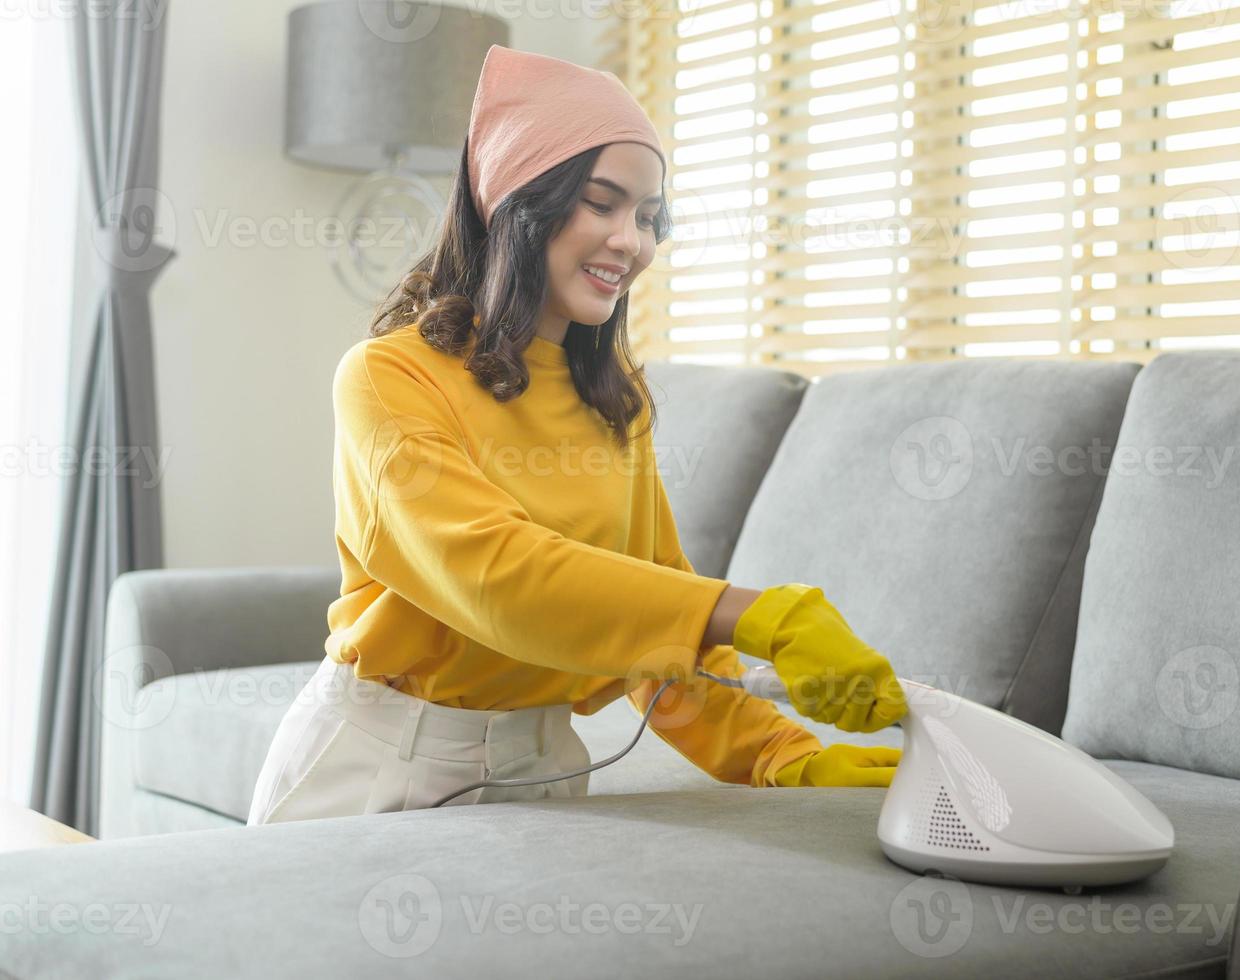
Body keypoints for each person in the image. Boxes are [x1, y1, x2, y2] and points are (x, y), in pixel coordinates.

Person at [247, 45, 907, 827]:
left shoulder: (613, 402)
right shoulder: (389, 379)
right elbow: (496, 577)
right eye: (602, 202)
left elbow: (648, 622)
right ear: (521, 202)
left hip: (546, 771)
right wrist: (760, 613)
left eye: (649, 217)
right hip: (378, 765)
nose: (632, 242)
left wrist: (776, 752)